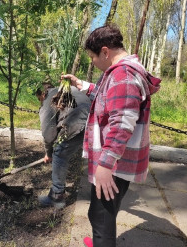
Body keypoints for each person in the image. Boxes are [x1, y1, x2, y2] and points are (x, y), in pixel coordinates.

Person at [63, 25, 160, 247]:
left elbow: (122, 123)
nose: (93, 62)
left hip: (114, 162)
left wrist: (105, 165)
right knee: (104, 213)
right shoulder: (121, 73)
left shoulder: (122, 74)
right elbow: (109, 98)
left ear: (105, 52)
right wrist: (82, 85)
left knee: (100, 217)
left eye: (93, 57)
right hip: (118, 158)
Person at [36, 80, 91, 209]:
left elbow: (48, 134)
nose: (40, 101)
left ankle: (57, 197)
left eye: (39, 99)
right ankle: (98, 191)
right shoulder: (64, 91)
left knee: (59, 154)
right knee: (64, 150)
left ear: (42, 94)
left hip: (77, 124)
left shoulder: (49, 100)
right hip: (92, 120)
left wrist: (49, 153)